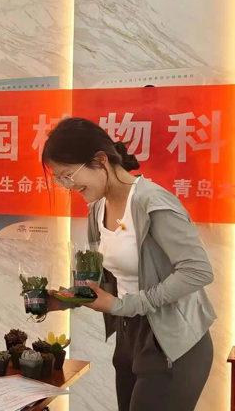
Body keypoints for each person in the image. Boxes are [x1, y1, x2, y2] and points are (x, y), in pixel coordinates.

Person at [42, 117, 216, 411]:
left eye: (68, 175)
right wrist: (67, 299)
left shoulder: (153, 202)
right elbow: (110, 280)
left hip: (173, 342)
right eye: (60, 179)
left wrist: (124, 305)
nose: (67, 186)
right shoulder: (98, 208)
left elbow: (197, 271)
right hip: (129, 335)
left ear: (100, 160)